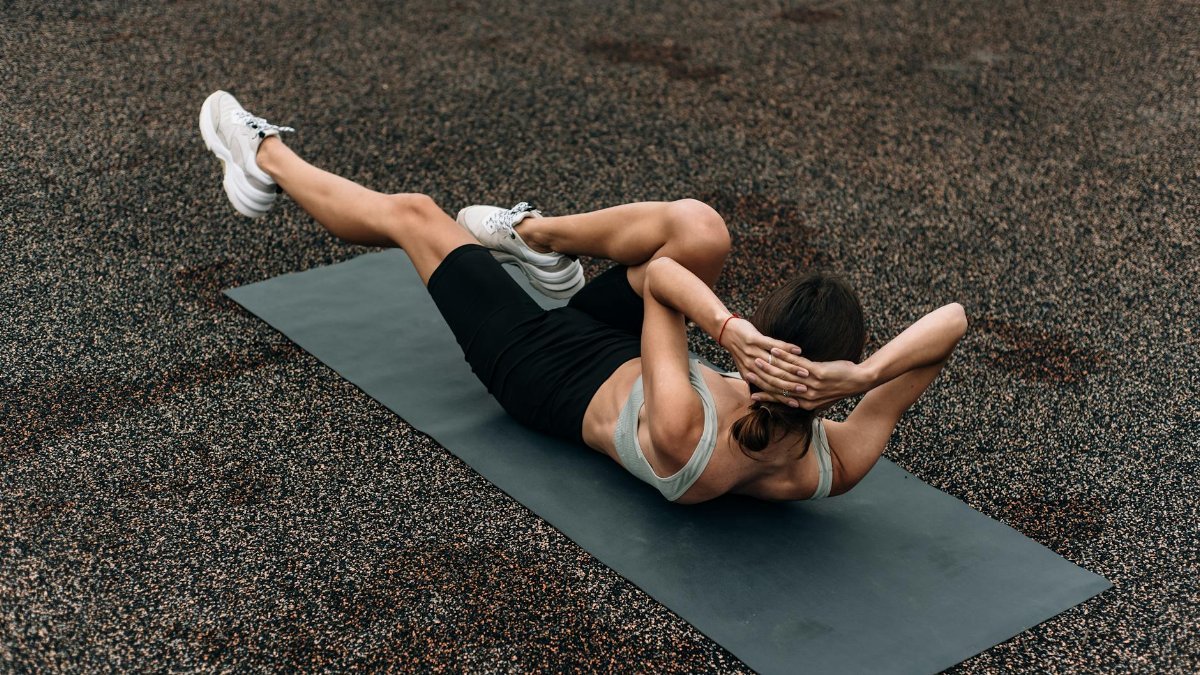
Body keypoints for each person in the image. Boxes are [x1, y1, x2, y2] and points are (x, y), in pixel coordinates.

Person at [199, 91, 968, 505]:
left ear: (766, 336)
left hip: (539, 372)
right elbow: (952, 323)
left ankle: (263, 153)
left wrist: (726, 329)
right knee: (703, 229)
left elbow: (667, 287)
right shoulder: (833, 459)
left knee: (414, 215)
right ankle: (537, 239)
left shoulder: (685, 427)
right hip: (621, 354)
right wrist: (863, 382)